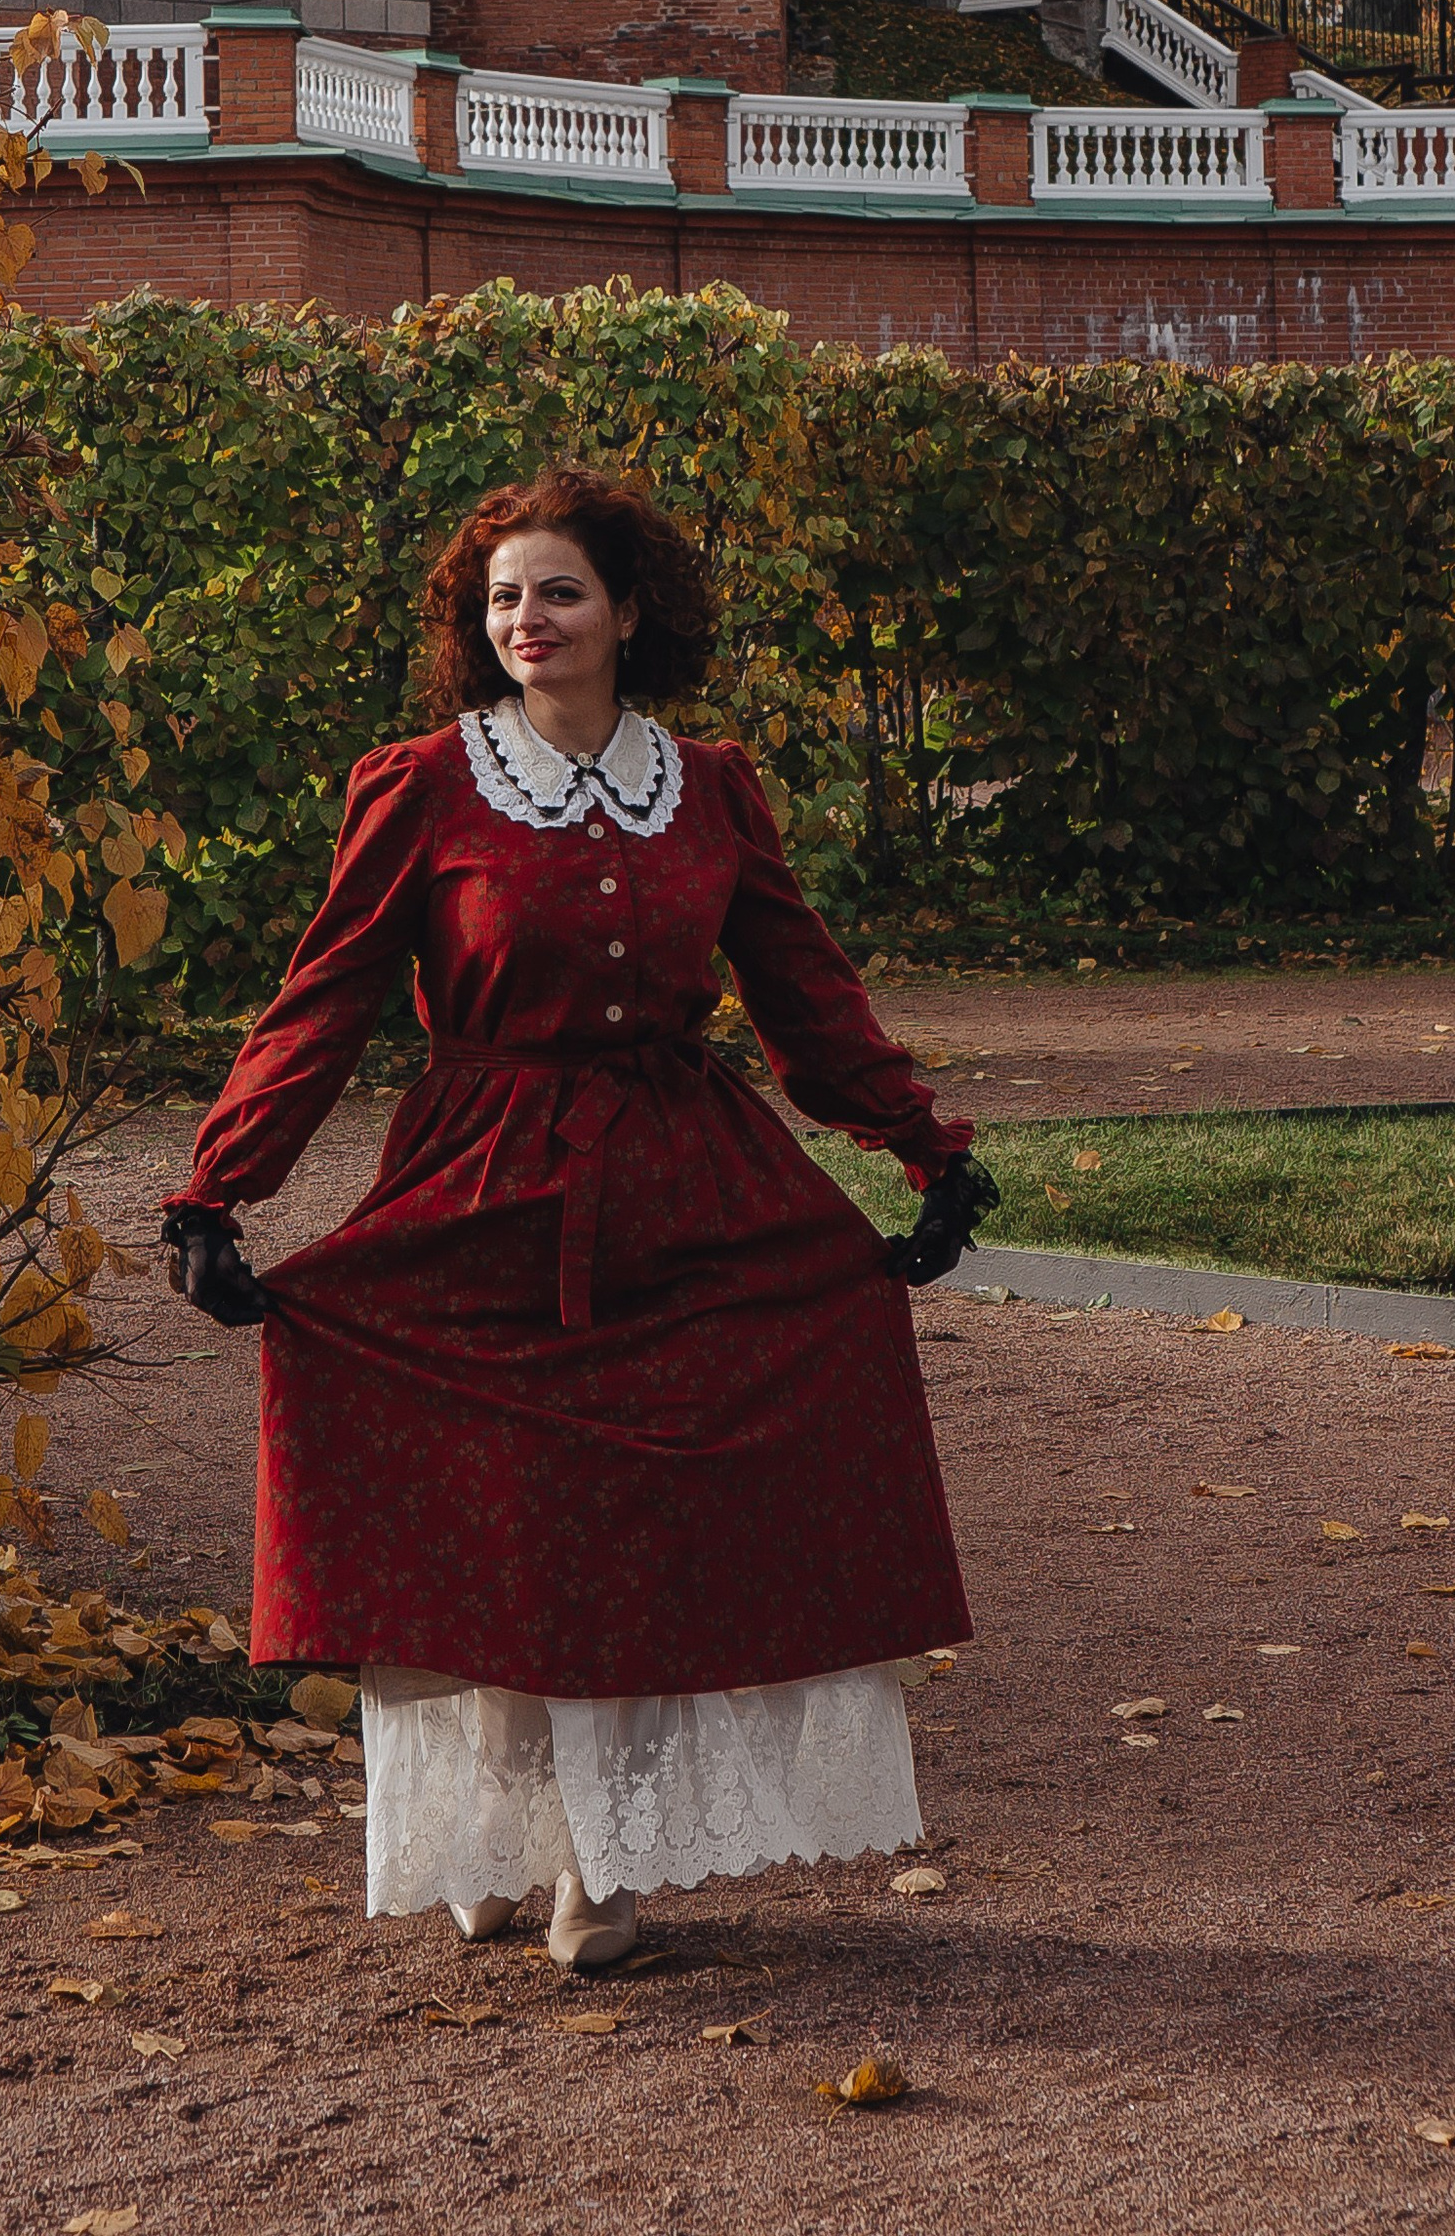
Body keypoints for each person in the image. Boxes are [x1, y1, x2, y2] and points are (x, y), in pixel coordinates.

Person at [159, 468, 993, 1973]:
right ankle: (496, 1835)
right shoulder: (422, 783)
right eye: (501, 600)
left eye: (557, 591)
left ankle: (599, 1870)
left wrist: (925, 1150)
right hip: (479, 1188)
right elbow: (328, 999)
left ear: (624, 609)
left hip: (687, 1189)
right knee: (499, 1522)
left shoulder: (712, 785)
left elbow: (806, 996)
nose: (526, 621)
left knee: (643, 1528)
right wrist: (221, 1184)